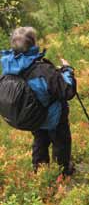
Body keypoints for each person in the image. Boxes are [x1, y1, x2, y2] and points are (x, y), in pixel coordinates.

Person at [0, 27, 77, 177]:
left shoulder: (9, 67)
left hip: (32, 116)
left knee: (40, 140)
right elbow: (68, 91)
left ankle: (40, 172)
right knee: (61, 142)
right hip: (53, 117)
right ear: (33, 44)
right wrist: (67, 70)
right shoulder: (43, 70)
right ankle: (63, 172)